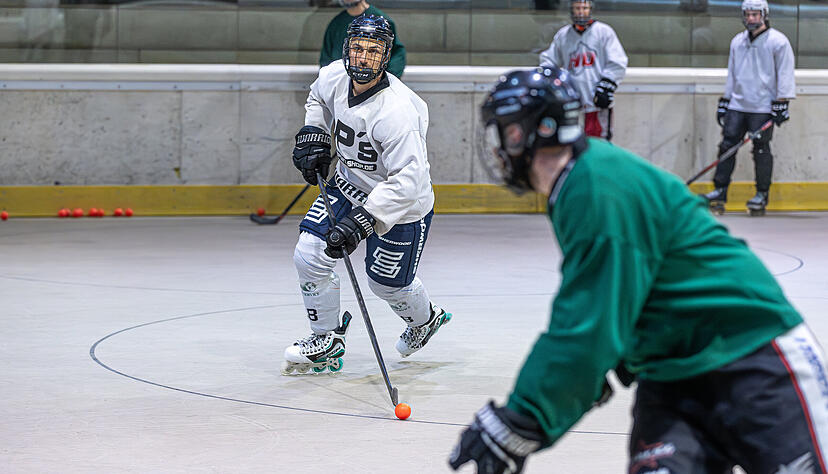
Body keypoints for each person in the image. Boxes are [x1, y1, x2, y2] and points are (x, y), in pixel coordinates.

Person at [448, 67, 827, 473]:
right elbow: (617, 310)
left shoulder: (595, 186)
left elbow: (587, 326)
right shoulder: (579, 182)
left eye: (505, 132)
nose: (498, 149)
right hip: (670, 376)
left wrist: (523, 418)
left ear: (533, 130)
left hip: (753, 358)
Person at [282, 14, 450, 375]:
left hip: (401, 207)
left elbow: (411, 180)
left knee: (387, 286)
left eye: (372, 51)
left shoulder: (398, 111)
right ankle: (325, 337)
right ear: (347, 50)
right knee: (309, 254)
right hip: (346, 186)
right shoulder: (332, 76)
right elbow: (316, 98)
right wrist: (314, 132)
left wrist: (364, 220)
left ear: (385, 57)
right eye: (357, 48)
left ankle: (426, 319)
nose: (362, 57)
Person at [704, 0, 795, 216]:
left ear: (764, 14)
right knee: (727, 146)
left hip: (763, 106)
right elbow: (732, 73)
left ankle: (761, 194)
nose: (751, 18)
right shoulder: (737, 41)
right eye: (748, 14)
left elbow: (785, 72)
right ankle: (720, 190)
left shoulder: (778, 42)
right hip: (738, 104)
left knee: (761, 149)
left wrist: (782, 102)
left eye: (756, 14)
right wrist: (726, 100)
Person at [539, 0, 627, 141]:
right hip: (572, 101)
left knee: (599, 144)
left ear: (590, 9)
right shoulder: (563, 35)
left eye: (584, 8)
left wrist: (606, 86)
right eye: (577, 8)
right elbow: (549, 60)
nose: (581, 11)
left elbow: (617, 61)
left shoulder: (604, 32)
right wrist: (549, 79)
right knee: (572, 143)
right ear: (571, 10)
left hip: (596, 102)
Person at [319, 0, 406, 79]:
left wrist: (385, 80)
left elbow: (396, 54)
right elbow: (325, 60)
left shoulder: (382, 22)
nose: (363, 59)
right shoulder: (336, 23)